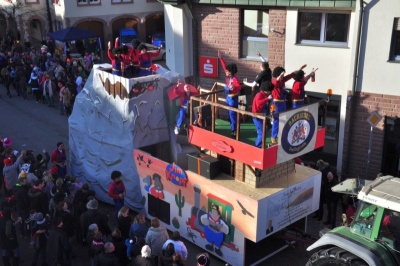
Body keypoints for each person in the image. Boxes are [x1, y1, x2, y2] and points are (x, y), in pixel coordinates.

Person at [270, 64, 307, 143]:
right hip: (277, 103)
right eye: (282, 74)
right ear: (278, 74)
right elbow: (277, 80)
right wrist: (281, 75)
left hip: (283, 103)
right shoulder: (274, 81)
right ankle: (273, 137)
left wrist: (300, 69)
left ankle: (281, 135)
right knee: (276, 120)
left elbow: (291, 75)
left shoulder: (282, 80)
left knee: (284, 119)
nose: (283, 76)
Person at [218, 50, 241, 137]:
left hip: (232, 99)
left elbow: (239, 87)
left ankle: (234, 130)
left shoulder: (234, 79)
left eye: (227, 71)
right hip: (228, 97)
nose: (225, 71)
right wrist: (221, 58)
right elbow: (224, 67)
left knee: (232, 115)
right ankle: (232, 127)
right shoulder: (228, 75)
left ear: (231, 72)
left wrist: (234, 87)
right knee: (229, 114)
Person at [251, 81, 273, 148]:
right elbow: (259, 103)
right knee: (262, 132)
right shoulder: (259, 95)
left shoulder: (263, 95)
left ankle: (259, 145)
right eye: (269, 91)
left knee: (262, 132)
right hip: (257, 116)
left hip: (261, 116)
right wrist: (267, 99)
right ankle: (257, 146)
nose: (270, 92)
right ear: (266, 90)